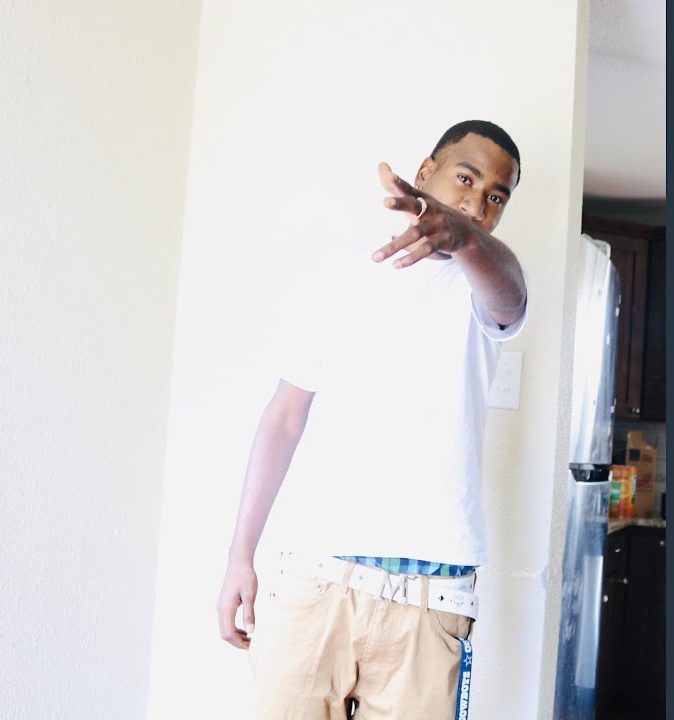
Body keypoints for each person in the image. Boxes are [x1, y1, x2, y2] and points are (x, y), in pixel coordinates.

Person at [217, 120, 529, 720]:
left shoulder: (487, 287)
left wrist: (466, 239)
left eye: (496, 196)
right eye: (466, 179)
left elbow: (511, 298)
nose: (476, 203)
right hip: (315, 582)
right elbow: (284, 419)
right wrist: (239, 555)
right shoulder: (340, 273)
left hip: (430, 602)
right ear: (425, 172)